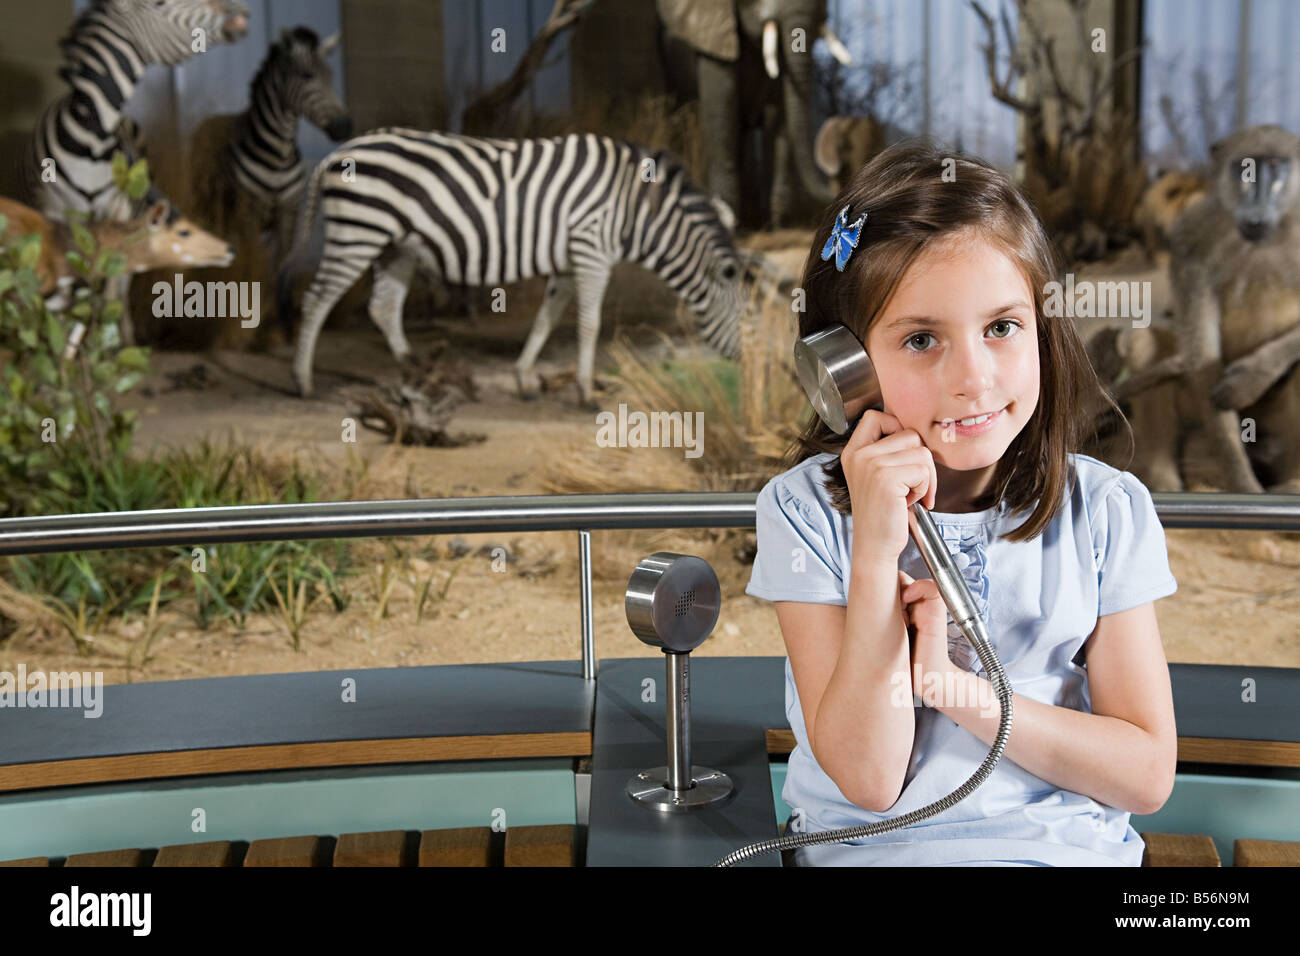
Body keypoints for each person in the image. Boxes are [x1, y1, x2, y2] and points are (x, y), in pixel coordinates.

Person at [746, 139, 1179, 866]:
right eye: (921, 340)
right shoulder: (804, 514)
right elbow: (869, 777)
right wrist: (877, 551)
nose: (974, 379)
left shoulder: (1104, 511)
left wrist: (959, 692)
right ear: (840, 370)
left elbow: (1144, 775)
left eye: (1002, 328)